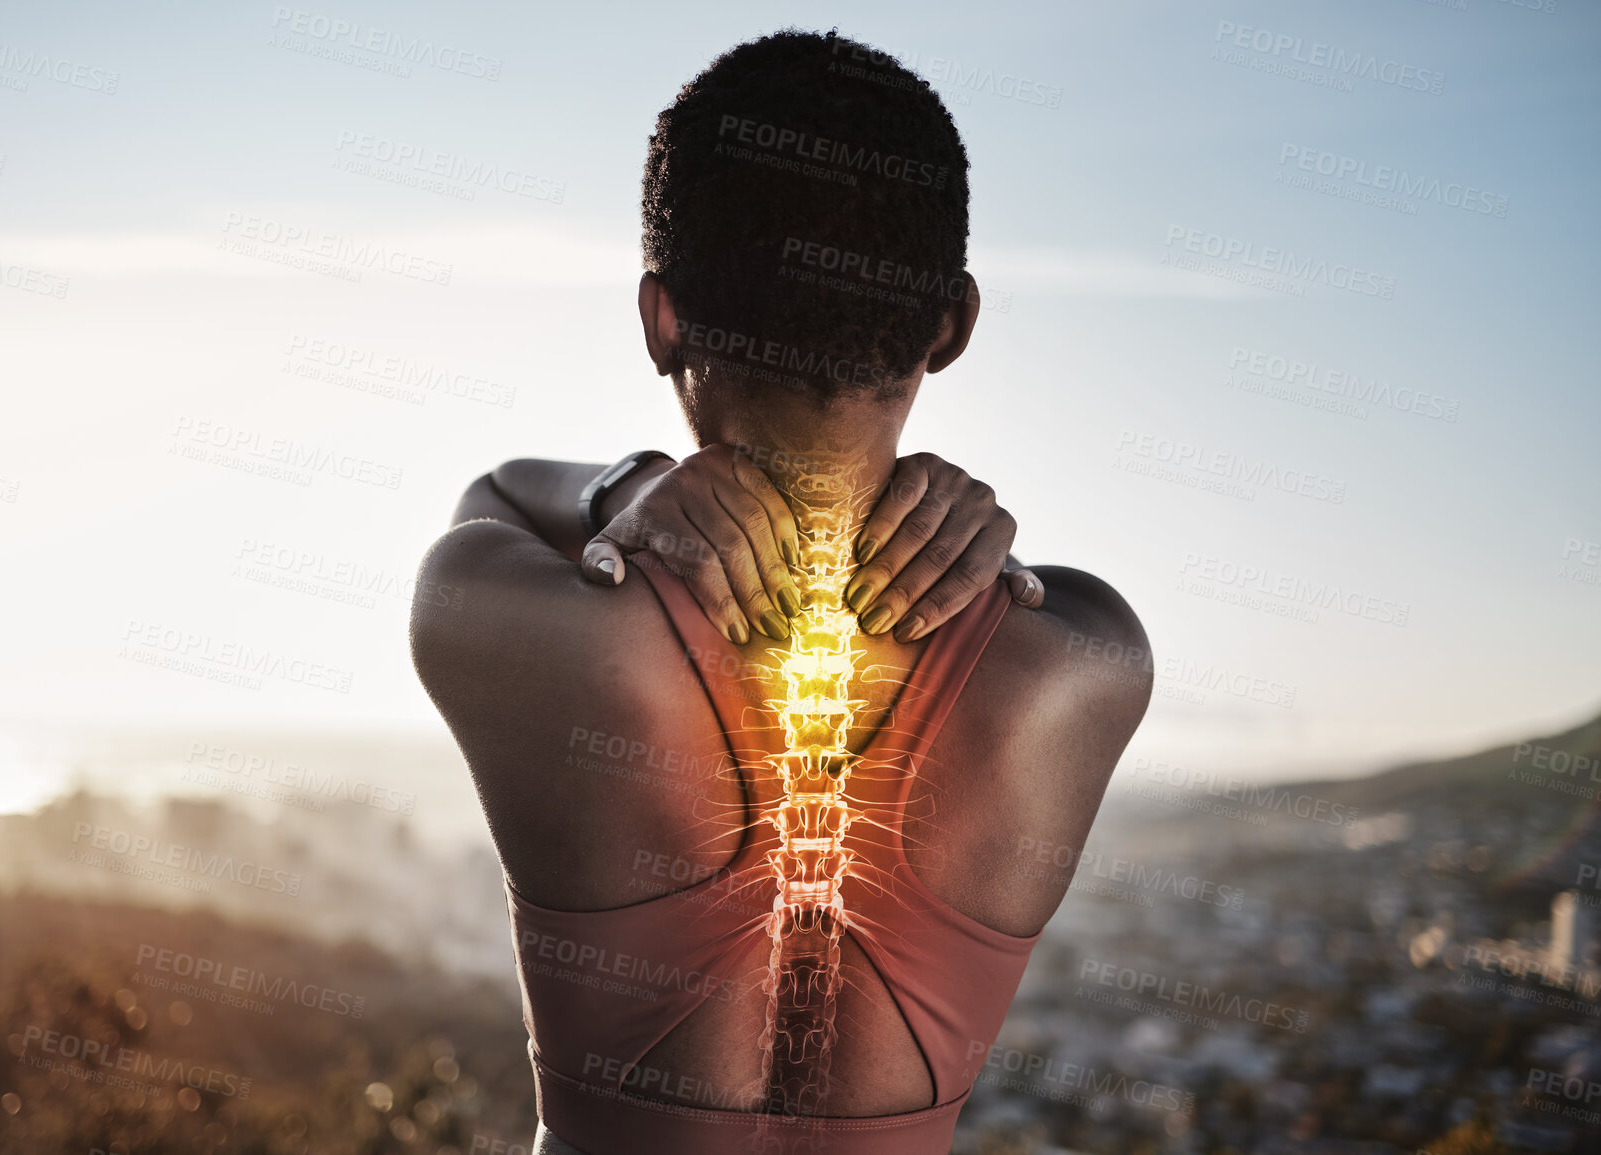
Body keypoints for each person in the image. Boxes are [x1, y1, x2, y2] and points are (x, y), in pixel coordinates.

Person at [411, 29, 1150, 1155]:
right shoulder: (1088, 661)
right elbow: (1041, 599)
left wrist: (633, 488)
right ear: (950, 324)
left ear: (661, 319)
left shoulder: (505, 616)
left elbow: (495, 499)